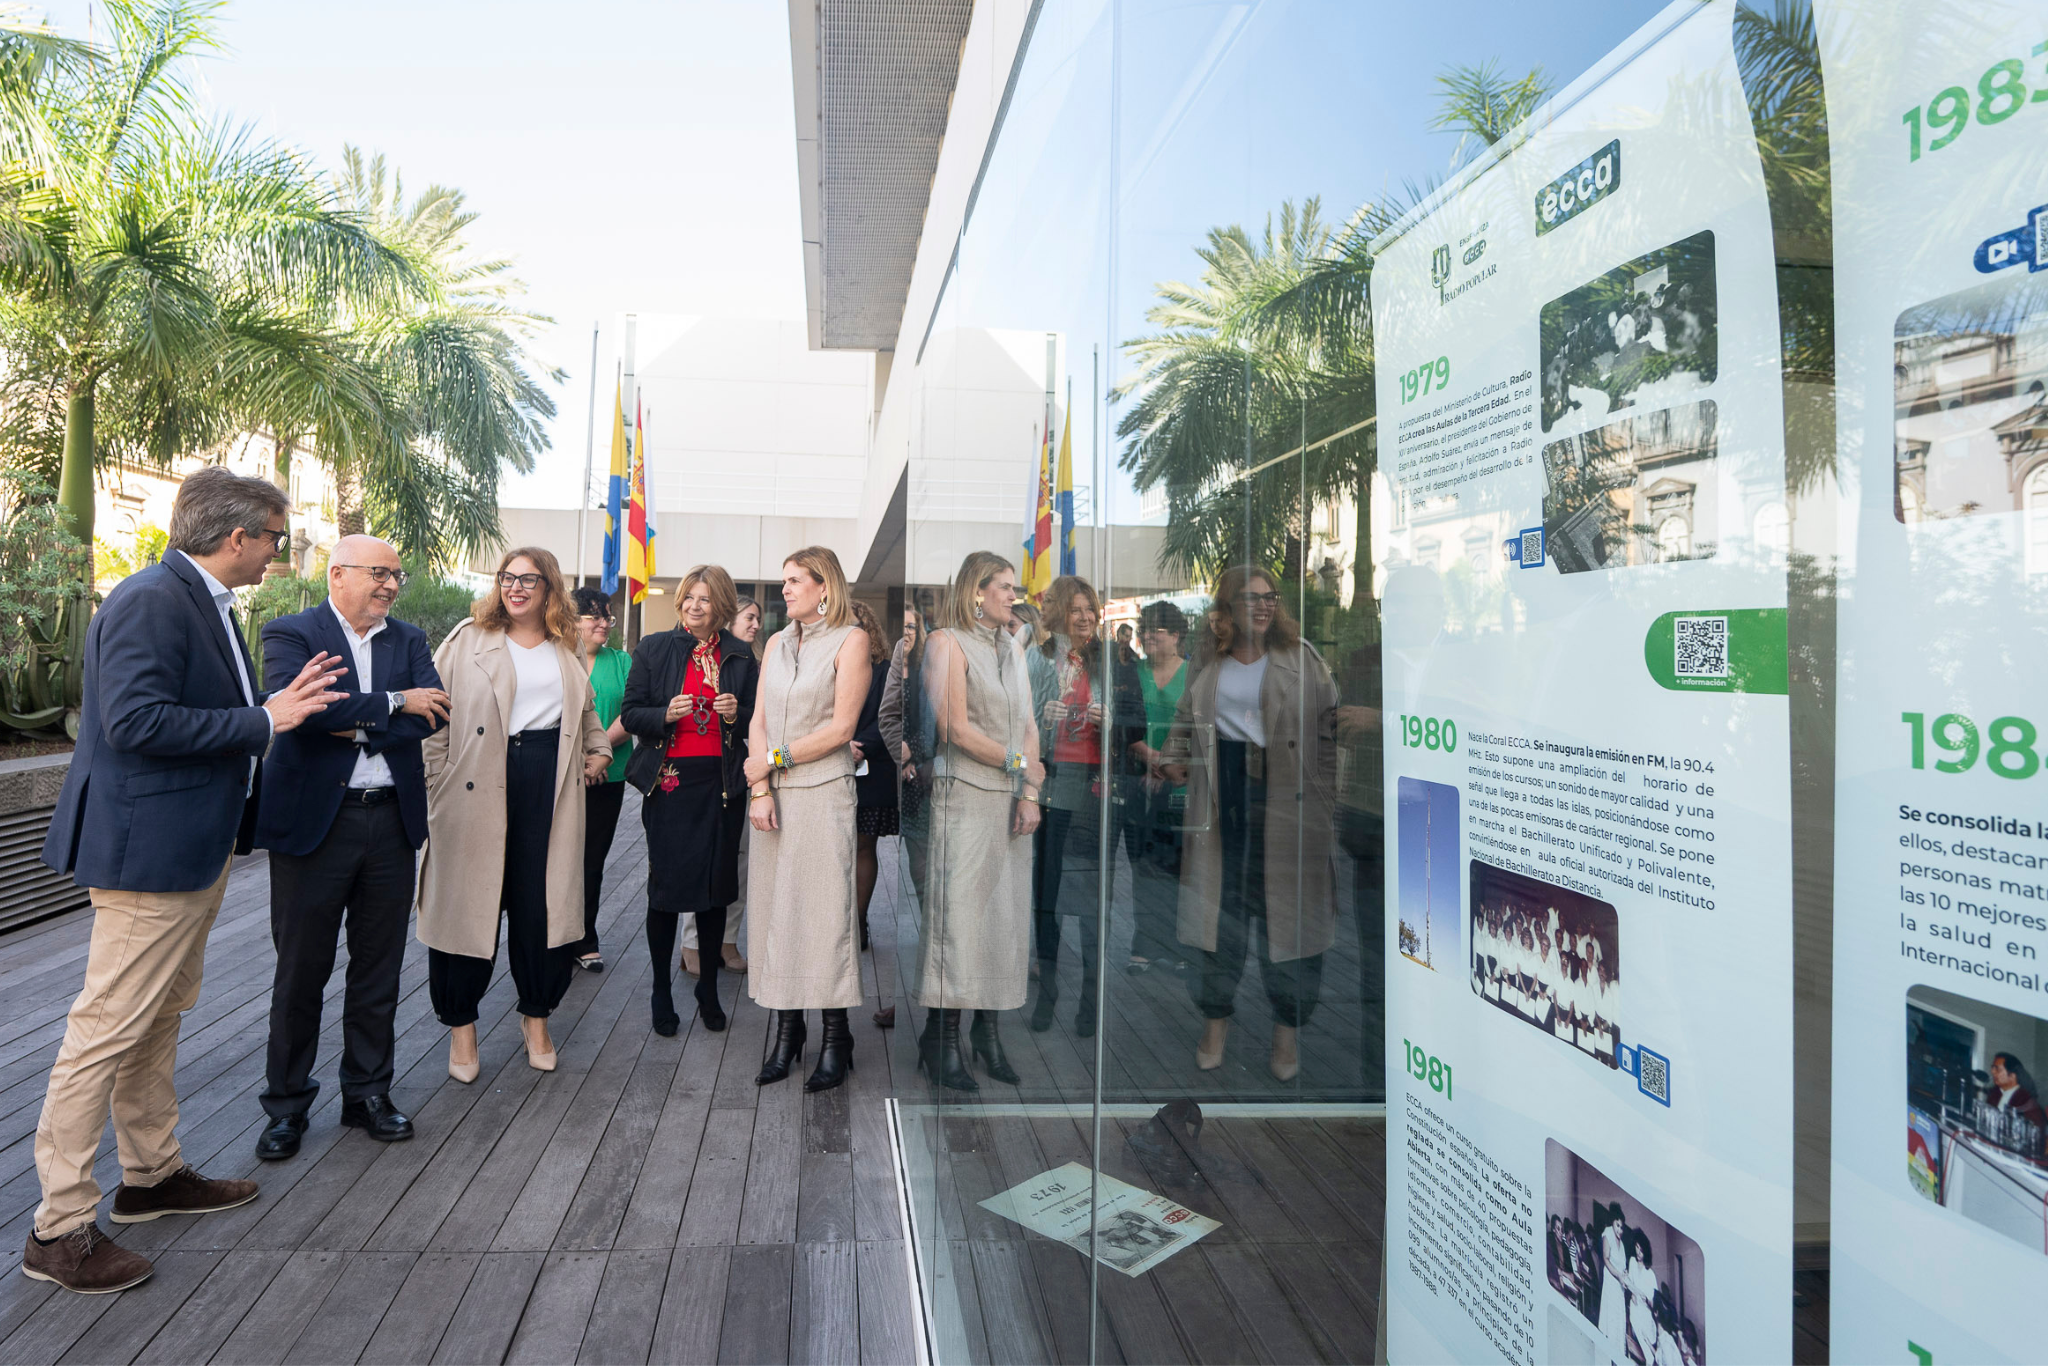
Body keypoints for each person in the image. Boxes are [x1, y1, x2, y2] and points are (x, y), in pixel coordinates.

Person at [30, 467, 348, 1294]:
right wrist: (264, 718)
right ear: (236, 536)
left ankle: (151, 1176)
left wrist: (269, 709)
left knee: (156, 1017)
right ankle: (58, 1228)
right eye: (274, 538)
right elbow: (133, 721)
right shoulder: (151, 600)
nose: (279, 552)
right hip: (151, 856)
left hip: (187, 851)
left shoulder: (201, 601)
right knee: (105, 1029)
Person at [252, 534, 451, 1161]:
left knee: (378, 968)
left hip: (391, 822)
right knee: (301, 970)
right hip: (316, 825)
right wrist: (393, 703)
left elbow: (434, 714)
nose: (391, 585)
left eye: (396, 575)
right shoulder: (291, 633)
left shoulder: (409, 640)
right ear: (337, 574)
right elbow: (303, 713)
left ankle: (367, 1094)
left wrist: (356, 720)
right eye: (379, 573)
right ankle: (287, 1106)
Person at [418, 548, 611, 1081]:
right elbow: (433, 714)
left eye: (529, 579)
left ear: (550, 587)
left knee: (541, 906)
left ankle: (537, 1019)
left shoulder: (565, 643)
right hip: (476, 779)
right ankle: (462, 1028)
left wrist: (599, 748)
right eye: (508, 577)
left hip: (549, 779)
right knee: (469, 906)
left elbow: (586, 711)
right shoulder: (467, 638)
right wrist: (437, 781)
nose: (516, 588)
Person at [1163, 566, 1339, 1081]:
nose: (1264, 605)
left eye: (1270, 597)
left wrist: (1327, 799)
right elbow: (1184, 720)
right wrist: (1173, 758)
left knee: (1288, 920)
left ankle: (1287, 1033)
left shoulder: (1301, 657)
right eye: (1251, 597)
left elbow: (1331, 729)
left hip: (1285, 797)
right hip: (1221, 794)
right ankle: (1214, 1026)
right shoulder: (1207, 658)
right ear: (1228, 606)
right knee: (1219, 918)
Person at [744, 547, 871, 1091]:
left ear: (825, 587)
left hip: (823, 796)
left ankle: (837, 1038)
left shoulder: (852, 640)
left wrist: (772, 761)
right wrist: (759, 788)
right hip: (773, 796)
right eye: (784, 581)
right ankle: (788, 1033)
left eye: (796, 580)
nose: (786, 589)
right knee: (778, 913)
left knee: (823, 916)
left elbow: (842, 729)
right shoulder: (775, 642)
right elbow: (758, 721)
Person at [917, 552, 1041, 1088]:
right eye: (1005, 587)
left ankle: (987, 1037)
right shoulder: (945, 643)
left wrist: (1030, 790)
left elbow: (1029, 726)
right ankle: (941, 1039)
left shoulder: (1012, 647)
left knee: (1001, 920)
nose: (1013, 596)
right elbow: (953, 728)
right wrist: (1019, 765)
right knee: (959, 921)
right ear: (975, 591)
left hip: (1010, 800)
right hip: (964, 797)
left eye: (1014, 588)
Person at [620, 564, 757, 1035]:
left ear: (721, 606)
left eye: (705, 599)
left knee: (715, 892)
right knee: (665, 892)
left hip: (722, 784)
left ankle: (708, 989)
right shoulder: (654, 648)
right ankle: (661, 989)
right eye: (689, 598)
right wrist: (664, 713)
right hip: (671, 783)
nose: (695, 606)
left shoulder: (740, 654)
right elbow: (630, 713)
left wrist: (737, 713)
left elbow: (758, 717)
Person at [1028, 575, 1140, 1037]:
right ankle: (1048, 989)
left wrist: (1112, 721)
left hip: (1096, 791)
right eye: (1075, 609)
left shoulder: (1114, 660)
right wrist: (1043, 717)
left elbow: (1137, 727)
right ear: (1059, 614)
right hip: (1053, 787)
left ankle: (1090, 996)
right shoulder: (1039, 658)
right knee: (1047, 895)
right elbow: (1016, 725)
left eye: (1089, 609)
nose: (1084, 617)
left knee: (1096, 896)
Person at [685, 595, 763, 976]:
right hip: (699, 771)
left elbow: (758, 718)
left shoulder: (753, 662)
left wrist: (737, 713)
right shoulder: (699, 656)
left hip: (743, 772)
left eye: (758, 619)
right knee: (698, 857)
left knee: (739, 860)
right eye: (749, 617)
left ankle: (728, 941)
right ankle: (692, 944)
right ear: (729, 621)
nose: (756, 625)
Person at [1124, 601, 1190, 974]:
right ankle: (1145, 943)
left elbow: (1201, 729)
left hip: (1180, 785)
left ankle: (1179, 947)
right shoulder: (1133, 673)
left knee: (1179, 868)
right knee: (1143, 866)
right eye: (1145, 629)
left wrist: (1169, 765)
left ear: (1176, 635)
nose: (1148, 636)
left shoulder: (1194, 674)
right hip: (1139, 781)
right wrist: (1150, 758)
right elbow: (1123, 724)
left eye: (1157, 630)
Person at [570, 587, 633, 974]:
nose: (604, 624)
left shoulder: (622, 661)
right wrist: (580, 759)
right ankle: (554, 937)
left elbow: (632, 712)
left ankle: (585, 939)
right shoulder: (559, 657)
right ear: (572, 620)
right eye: (594, 616)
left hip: (609, 778)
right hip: (562, 777)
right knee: (557, 859)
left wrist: (599, 752)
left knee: (592, 861)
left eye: (607, 616)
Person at [848, 601, 900, 953]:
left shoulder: (883, 668)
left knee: (864, 846)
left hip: (872, 766)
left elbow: (890, 715)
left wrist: (858, 746)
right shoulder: (829, 663)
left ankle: (858, 922)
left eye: (856, 626)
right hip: (828, 763)